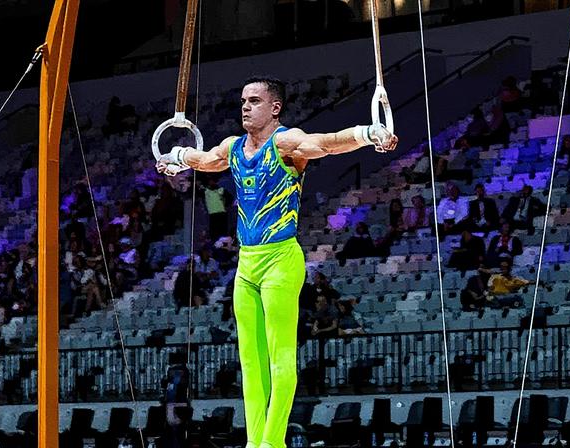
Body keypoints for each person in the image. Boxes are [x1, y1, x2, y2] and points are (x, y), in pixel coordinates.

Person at [156, 76, 398, 448]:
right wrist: (173, 159)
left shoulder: (285, 142)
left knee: (279, 358)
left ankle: (272, 442)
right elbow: (203, 160)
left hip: (281, 260)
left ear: (275, 108)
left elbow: (328, 145)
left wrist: (369, 133)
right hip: (247, 265)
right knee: (251, 364)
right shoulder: (233, 147)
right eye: (243, 100)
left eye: (254, 100)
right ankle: (256, 441)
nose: (245, 106)